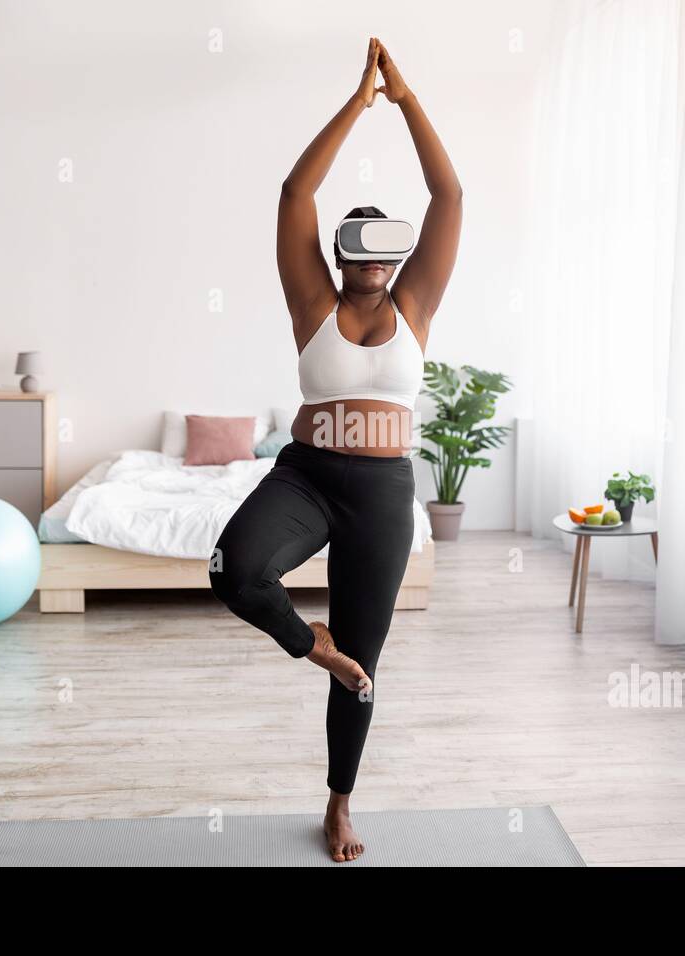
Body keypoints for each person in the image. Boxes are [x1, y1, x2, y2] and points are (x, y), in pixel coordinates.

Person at [210, 37, 461, 863]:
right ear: (341, 252)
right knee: (233, 569)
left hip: (383, 493)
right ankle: (312, 644)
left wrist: (406, 99)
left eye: (386, 245)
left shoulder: (415, 304)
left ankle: (339, 804)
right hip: (309, 478)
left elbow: (448, 194)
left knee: (367, 659)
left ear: (397, 254)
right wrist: (359, 102)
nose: (373, 257)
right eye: (359, 242)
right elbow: (297, 191)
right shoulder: (311, 298)